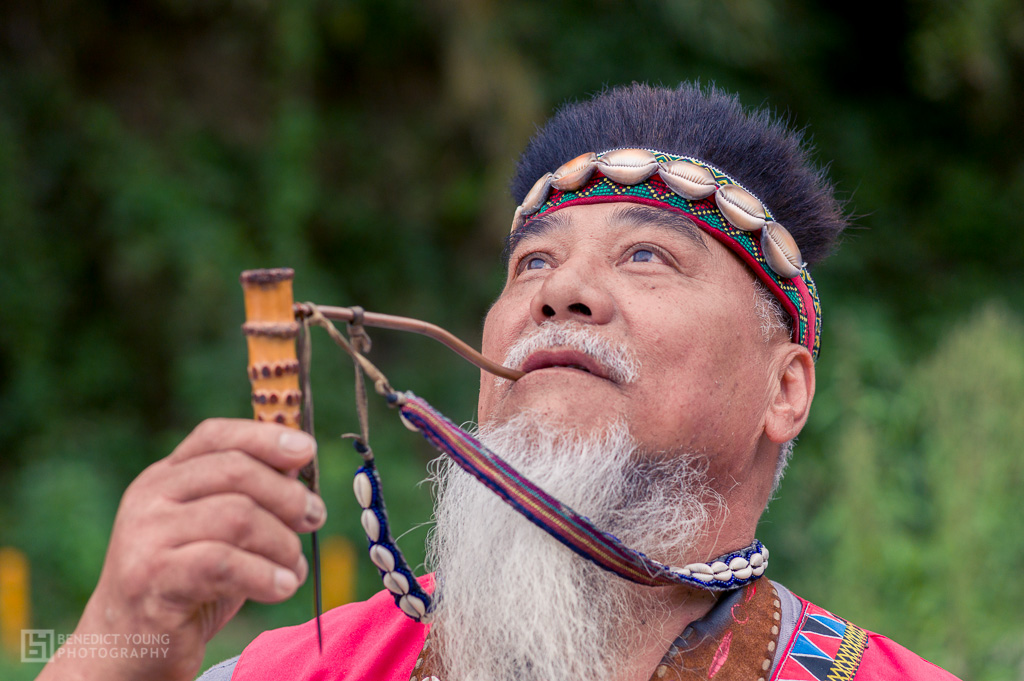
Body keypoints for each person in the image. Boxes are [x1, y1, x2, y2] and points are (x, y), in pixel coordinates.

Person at [36, 82, 962, 681]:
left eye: (646, 255)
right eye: (531, 264)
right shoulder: (305, 668)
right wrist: (111, 642)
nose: (560, 291)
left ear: (784, 389)